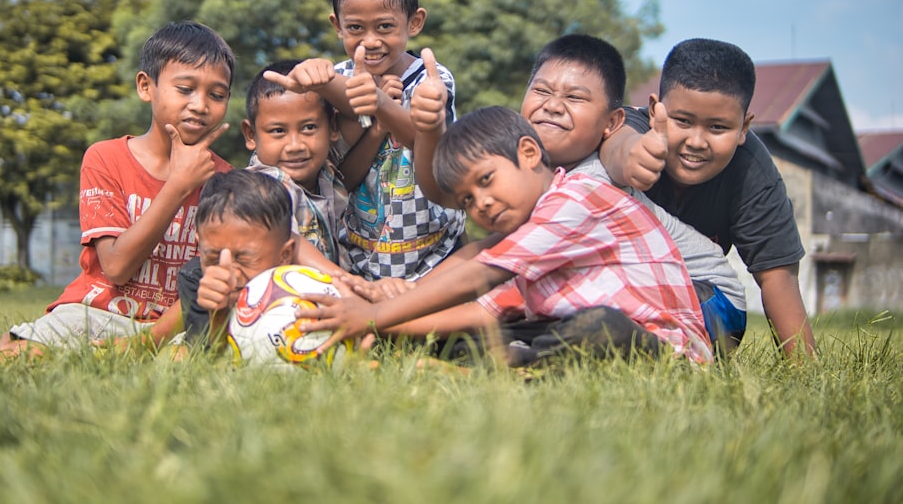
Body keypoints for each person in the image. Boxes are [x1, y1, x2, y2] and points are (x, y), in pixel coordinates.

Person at [299, 107, 714, 364]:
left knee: (601, 328)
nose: (481, 203)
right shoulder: (528, 237)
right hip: (565, 331)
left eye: (486, 180)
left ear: (529, 154)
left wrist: (372, 318)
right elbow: (484, 311)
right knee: (457, 338)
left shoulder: (576, 199)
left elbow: (482, 270)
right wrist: (393, 318)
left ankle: (518, 363)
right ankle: (512, 363)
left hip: (662, 347)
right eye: (466, 200)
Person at [0, 21, 235, 356]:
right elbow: (115, 267)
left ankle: (129, 349)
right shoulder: (105, 158)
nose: (201, 105)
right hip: (98, 313)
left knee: (205, 351)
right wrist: (178, 185)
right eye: (185, 89)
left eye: (216, 95)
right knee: (22, 353)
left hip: (171, 325)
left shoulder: (226, 179)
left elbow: (214, 276)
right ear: (146, 87)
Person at [518, 34, 745, 352]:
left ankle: (663, 350)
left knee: (598, 326)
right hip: (626, 291)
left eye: (575, 98)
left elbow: (507, 269)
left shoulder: (591, 183)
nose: (552, 106)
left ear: (611, 122)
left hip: (712, 299)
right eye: (541, 90)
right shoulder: (521, 171)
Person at [599, 38, 816, 356]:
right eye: (682, 121)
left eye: (718, 127)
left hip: (695, 296)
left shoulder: (753, 174)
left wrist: (806, 372)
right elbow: (617, 144)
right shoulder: (631, 130)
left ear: (744, 127)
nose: (697, 141)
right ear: (654, 108)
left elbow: (777, 280)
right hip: (605, 279)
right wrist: (632, 157)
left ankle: (634, 342)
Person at [264, 0, 465, 282]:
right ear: (337, 25)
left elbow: (425, 139)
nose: (370, 41)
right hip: (360, 257)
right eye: (356, 28)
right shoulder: (341, 76)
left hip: (436, 252)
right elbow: (345, 175)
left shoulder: (432, 81)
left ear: (414, 22)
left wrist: (382, 104)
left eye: (385, 27)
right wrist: (319, 79)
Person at [175, 60, 350, 346]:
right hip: (256, 297)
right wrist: (345, 282)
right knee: (199, 275)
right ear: (250, 135)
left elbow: (357, 124)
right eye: (278, 132)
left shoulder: (328, 173)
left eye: (308, 128)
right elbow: (294, 240)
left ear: (331, 128)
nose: (295, 145)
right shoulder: (269, 180)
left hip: (309, 297)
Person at [187, 169, 299, 345]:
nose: (228, 273)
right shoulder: (198, 284)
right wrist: (218, 315)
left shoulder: (304, 303)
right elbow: (214, 361)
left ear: (285, 255)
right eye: (213, 258)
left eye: (244, 259)